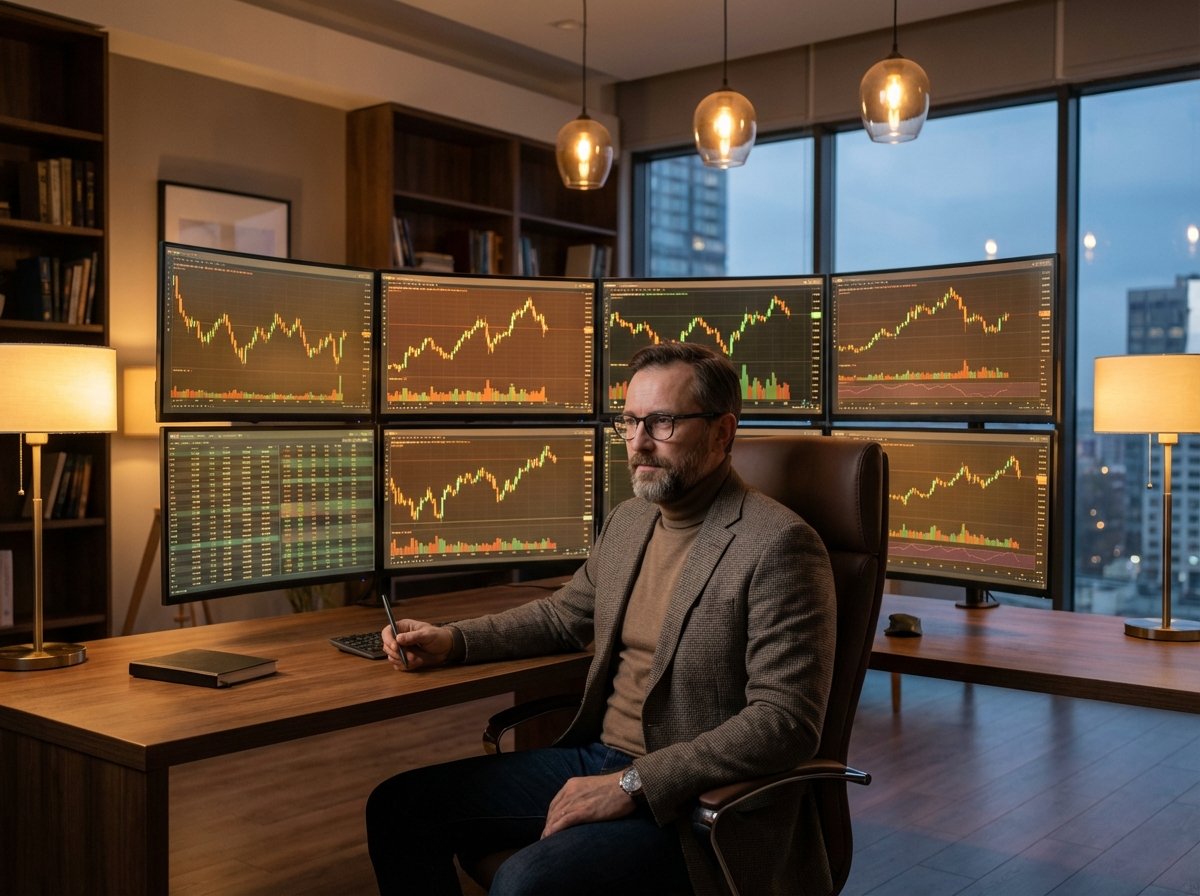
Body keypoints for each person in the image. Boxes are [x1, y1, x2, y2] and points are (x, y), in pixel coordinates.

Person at [366, 341, 836, 896]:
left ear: (722, 433)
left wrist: (634, 783)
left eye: (661, 423)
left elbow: (785, 722)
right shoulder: (631, 521)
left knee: (525, 882)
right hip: (599, 756)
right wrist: (453, 641)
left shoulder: (779, 545)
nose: (638, 443)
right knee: (398, 807)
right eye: (630, 421)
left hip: (693, 799)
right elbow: (565, 616)